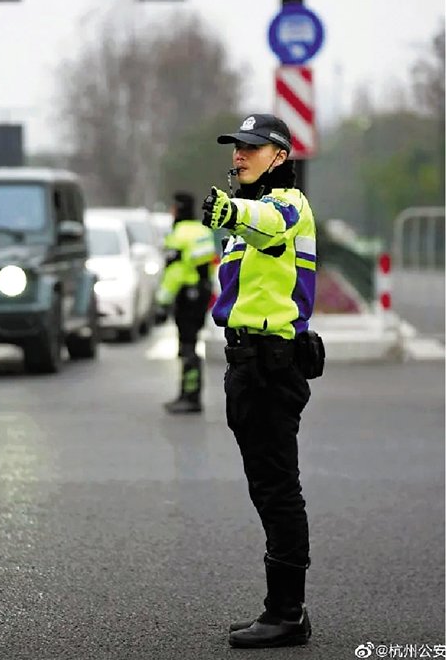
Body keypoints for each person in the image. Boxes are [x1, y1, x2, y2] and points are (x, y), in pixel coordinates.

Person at [201, 113, 320, 649]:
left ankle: (287, 613)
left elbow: (267, 224)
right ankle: (284, 610)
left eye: (251, 148)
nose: (238, 155)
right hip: (249, 365)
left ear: (279, 157)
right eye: (236, 147)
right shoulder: (246, 215)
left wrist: (231, 212)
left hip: (273, 365)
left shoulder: (285, 205)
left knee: (277, 490)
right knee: (267, 487)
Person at [155, 192, 218, 414]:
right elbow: (207, 266)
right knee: (191, 344)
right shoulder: (203, 231)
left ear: (178, 209)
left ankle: (190, 396)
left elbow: (174, 272)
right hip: (200, 295)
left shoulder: (178, 235)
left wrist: (162, 301)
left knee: (187, 347)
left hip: (186, 295)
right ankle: (189, 393)